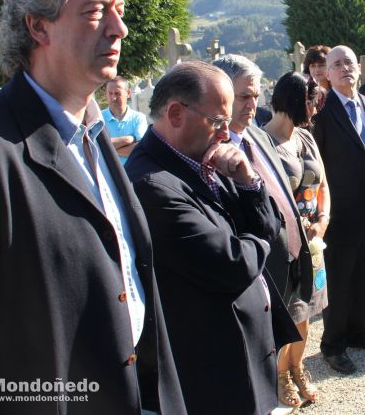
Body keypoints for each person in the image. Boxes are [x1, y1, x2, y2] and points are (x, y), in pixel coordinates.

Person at [0, 0, 185, 414]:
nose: (120, 28)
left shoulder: (93, 131)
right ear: (37, 26)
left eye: (119, 10)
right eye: (95, 12)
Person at [125, 61, 300, 414]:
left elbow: (271, 222)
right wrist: (259, 241)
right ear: (176, 113)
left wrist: (249, 181)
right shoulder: (152, 184)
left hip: (243, 352)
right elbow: (232, 265)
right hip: (212, 371)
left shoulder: (203, 158)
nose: (226, 133)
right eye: (218, 122)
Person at [213, 54, 313, 312]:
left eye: (256, 97)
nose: (252, 104)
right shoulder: (211, 151)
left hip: (290, 266)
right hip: (255, 276)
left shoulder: (262, 137)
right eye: (244, 96)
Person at [313, 45, 365, 374]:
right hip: (339, 212)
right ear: (327, 73)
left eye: (349, 62)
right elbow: (316, 163)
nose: (345, 68)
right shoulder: (322, 111)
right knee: (339, 283)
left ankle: (358, 331)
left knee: (363, 278)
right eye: (336, 64)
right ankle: (333, 345)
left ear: (360, 67)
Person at [263, 72, 331, 406]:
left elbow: (324, 185)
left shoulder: (306, 138)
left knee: (306, 311)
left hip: (314, 241)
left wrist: (323, 219)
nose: (315, 107)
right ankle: (278, 375)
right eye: (311, 100)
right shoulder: (263, 143)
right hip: (284, 245)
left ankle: (298, 367)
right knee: (286, 311)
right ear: (294, 99)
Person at [102, 76, 148, 164]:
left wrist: (107, 149)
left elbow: (141, 149)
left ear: (128, 93)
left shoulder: (138, 118)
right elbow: (95, 146)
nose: (113, 98)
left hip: (133, 174)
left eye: (117, 93)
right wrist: (128, 139)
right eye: (110, 93)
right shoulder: (99, 118)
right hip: (108, 176)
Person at [303, 45, 332, 110]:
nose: (317, 70)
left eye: (321, 65)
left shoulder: (338, 89)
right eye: (313, 66)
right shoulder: (306, 92)